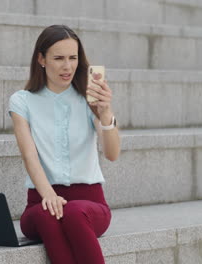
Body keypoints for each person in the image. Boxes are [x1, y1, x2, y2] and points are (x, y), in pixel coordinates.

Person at [8, 25, 120, 264]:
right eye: (58, 58)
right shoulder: (22, 101)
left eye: (73, 58)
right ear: (41, 59)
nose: (67, 66)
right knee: (50, 213)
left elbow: (112, 154)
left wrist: (106, 112)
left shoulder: (88, 99)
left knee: (73, 213)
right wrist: (50, 195)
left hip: (90, 204)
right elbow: (29, 155)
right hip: (40, 201)